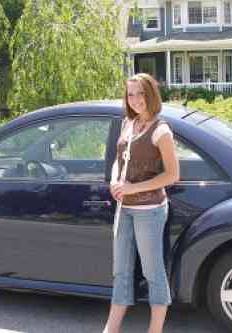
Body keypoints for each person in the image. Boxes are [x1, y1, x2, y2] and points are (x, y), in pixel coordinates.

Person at [103, 73, 180, 333]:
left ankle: (154, 331)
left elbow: (172, 175)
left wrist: (132, 188)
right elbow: (120, 160)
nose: (135, 99)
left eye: (141, 93)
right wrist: (116, 181)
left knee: (152, 272)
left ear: (151, 95)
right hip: (125, 209)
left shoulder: (161, 130)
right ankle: (110, 329)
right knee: (121, 272)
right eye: (130, 94)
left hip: (149, 211)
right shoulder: (128, 123)